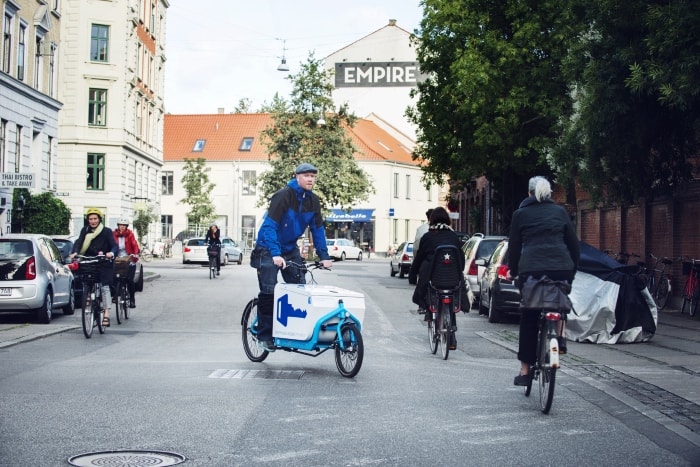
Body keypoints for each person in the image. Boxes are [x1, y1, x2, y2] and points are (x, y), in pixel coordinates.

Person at [250, 163, 334, 351]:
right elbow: (270, 226)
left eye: (313, 176)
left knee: (300, 289)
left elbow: (317, 230)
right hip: (267, 247)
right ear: (297, 177)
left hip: (289, 249)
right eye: (306, 175)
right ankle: (265, 335)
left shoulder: (314, 201)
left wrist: (324, 255)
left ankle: (296, 331)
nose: (310, 179)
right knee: (270, 290)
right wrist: (275, 253)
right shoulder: (283, 196)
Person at [507, 176, 580, 386]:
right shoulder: (560, 212)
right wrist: (572, 270)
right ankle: (559, 338)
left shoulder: (520, 214)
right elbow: (573, 245)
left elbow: (514, 247)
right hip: (561, 268)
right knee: (558, 302)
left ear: (529, 193)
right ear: (550, 194)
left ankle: (525, 370)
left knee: (529, 315)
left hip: (531, 269)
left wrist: (513, 270)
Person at [408, 207, 470, 349]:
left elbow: (419, 258)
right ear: (447, 220)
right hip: (452, 278)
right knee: (452, 298)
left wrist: (413, 274)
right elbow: (461, 258)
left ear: (431, 220)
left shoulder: (428, 237)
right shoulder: (453, 237)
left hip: (434, 278)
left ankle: (429, 312)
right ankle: (452, 337)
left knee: (428, 292)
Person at [70, 208, 118, 327]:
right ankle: (88, 297)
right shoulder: (84, 230)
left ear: (99, 219)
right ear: (87, 220)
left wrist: (111, 253)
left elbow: (114, 246)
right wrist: (75, 252)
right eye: (90, 219)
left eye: (95, 218)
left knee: (104, 287)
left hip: (103, 262)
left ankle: (106, 314)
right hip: (89, 261)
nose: (93, 221)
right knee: (86, 282)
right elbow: (79, 242)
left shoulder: (106, 231)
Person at [113, 218, 140, 308]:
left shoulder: (130, 235)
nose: (122, 227)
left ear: (126, 226)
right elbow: (111, 245)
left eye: (124, 225)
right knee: (114, 278)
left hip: (129, 259)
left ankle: (132, 299)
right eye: (120, 225)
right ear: (118, 226)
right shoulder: (114, 235)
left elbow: (134, 244)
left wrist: (136, 254)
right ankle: (115, 294)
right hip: (117, 259)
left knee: (129, 280)